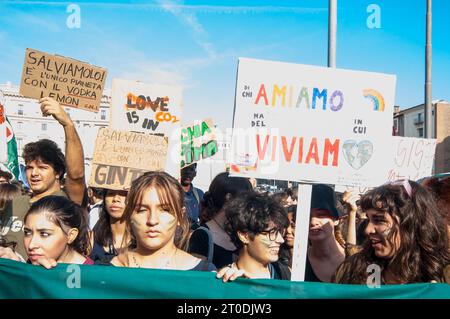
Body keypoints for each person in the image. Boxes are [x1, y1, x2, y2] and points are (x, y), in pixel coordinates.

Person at [0, 97, 86, 260]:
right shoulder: (15, 202)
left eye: (42, 167)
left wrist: (67, 124)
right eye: (30, 167)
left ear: (58, 173)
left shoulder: (66, 202)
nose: (34, 173)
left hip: (42, 281)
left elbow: (76, 176)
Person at [334, 180, 450, 284]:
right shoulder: (353, 270)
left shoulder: (443, 275)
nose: (367, 230)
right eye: (368, 219)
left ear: (410, 223)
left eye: (379, 220)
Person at [109, 171, 215, 271]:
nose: (152, 220)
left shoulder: (205, 273)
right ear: (129, 215)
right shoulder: (106, 271)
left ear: (180, 216)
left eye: (165, 210)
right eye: (142, 210)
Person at [0, 195, 93, 268]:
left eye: (44, 234)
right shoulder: (29, 267)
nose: (31, 245)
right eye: (27, 233)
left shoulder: (93, 280)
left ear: (71, 235)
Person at [216, 191, 290, 281]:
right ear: (244, 236)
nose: (281, 240)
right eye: (271, 233)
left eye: (280, 232)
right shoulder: (225, 280)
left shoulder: (285, 274)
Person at [188, 172, 253, 268]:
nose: (249, 205)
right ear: (229, 198)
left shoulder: (244, 233)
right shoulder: (202, 235)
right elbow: (198, 277)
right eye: (245, 198)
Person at [305, 184, 346, 283]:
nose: (313, 221)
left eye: (321, 215)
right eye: (307, 215)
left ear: (336, 220)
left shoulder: (356, 258)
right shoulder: (297, 261)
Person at [90, 189, 131, 263]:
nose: (115, 199)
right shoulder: (90, 239)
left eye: (123, 194)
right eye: (111, 193)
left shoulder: (144, 240)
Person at [278, 205, 296, 270]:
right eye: (285, 226)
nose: (288, 231)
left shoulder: (312, 259)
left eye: (293, 226)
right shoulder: (275, 259)